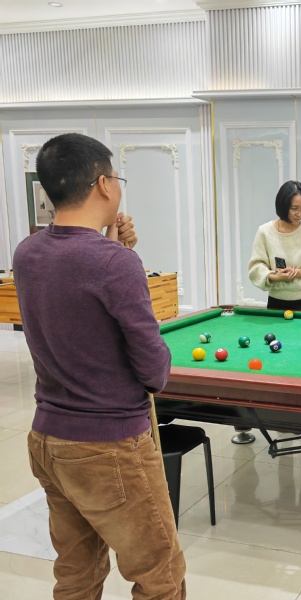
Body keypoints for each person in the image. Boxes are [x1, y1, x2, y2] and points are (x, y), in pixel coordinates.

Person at [13, 133, 186, 599]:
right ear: (104, 185)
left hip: (48, 439)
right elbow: (154, 372)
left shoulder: (26, 253)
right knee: (161, 578)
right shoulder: (114, 264)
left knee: (77, 574)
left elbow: (78, 287)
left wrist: (115, 247)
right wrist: (121, 256)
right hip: (110, 446)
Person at [248, 180, 301, 310]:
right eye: (294, 209)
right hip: (276, 300)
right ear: (283, 206)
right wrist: (275, 277)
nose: (299, 214)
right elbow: (256, 267)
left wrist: (298, 272)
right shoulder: (265, 232)